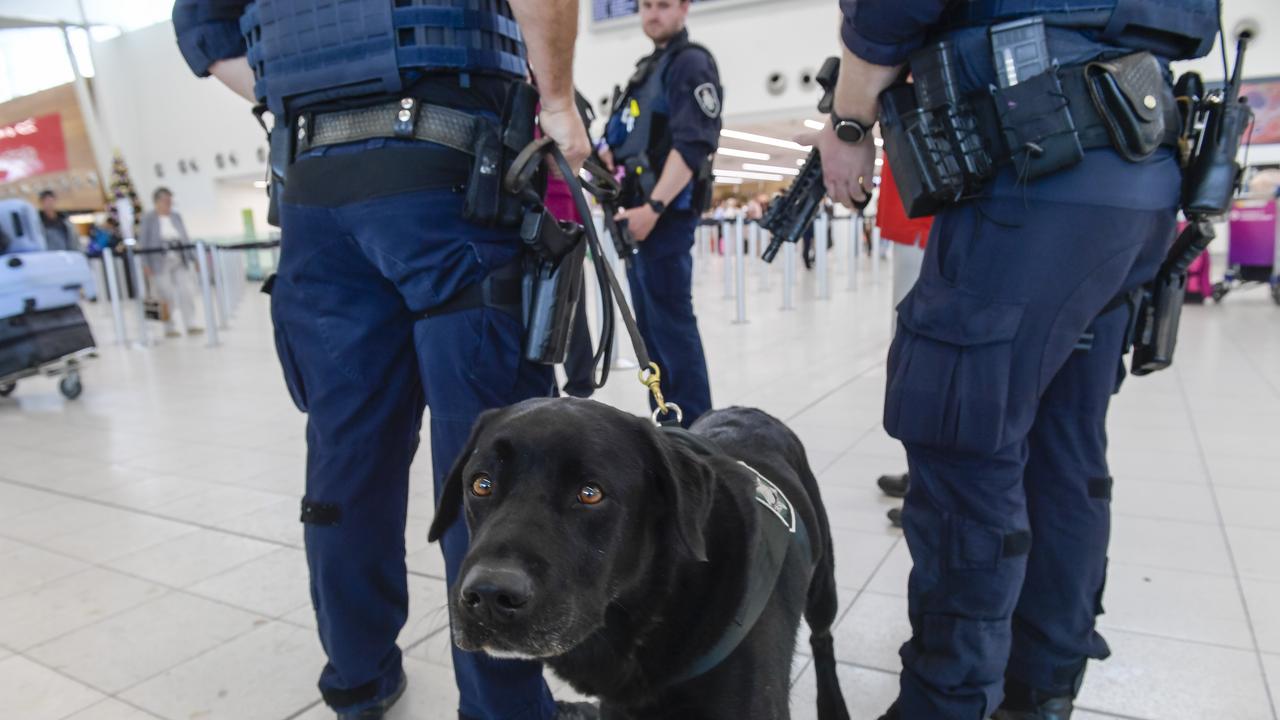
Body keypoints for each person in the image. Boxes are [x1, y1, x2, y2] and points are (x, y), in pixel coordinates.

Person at [173, 2, 592, 719]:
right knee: (488, 465)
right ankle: (504, 710)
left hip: (314, 192)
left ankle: (358, 677)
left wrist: (300, 90)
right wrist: (556, 100)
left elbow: (203, 30)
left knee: (349, 458)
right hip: (451, 174)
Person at [803, 0, 1215, 717]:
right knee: (1065, 443)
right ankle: (1043, 684)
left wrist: (847, 123)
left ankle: (947, 701)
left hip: (1032, 170)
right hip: (1134, 171)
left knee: (965, 443)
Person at [600, 0, 720, 427]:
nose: (653, 13)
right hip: (635, 222)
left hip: (662, 220)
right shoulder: (645, 72)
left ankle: (697, 436)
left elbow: (693, 145)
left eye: (663, 4)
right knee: (650, 337)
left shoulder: (690, 64)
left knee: (672, 331)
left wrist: (653, 207)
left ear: (684, 8)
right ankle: (669, 429)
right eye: (646, 5)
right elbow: (620, 141)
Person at [139, 187, 202, 338]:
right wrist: (145, 264)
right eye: (166, 200)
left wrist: (194, 258)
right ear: (158, 201)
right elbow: (143, 242)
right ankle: (169, 327)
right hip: (159, 262)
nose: (169, 203)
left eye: (170, 200)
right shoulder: (149, 218)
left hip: (180, 259)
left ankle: (191, 323)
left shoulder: (176, 216)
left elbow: (185, 237)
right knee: (166, 295)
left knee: (186, 291)